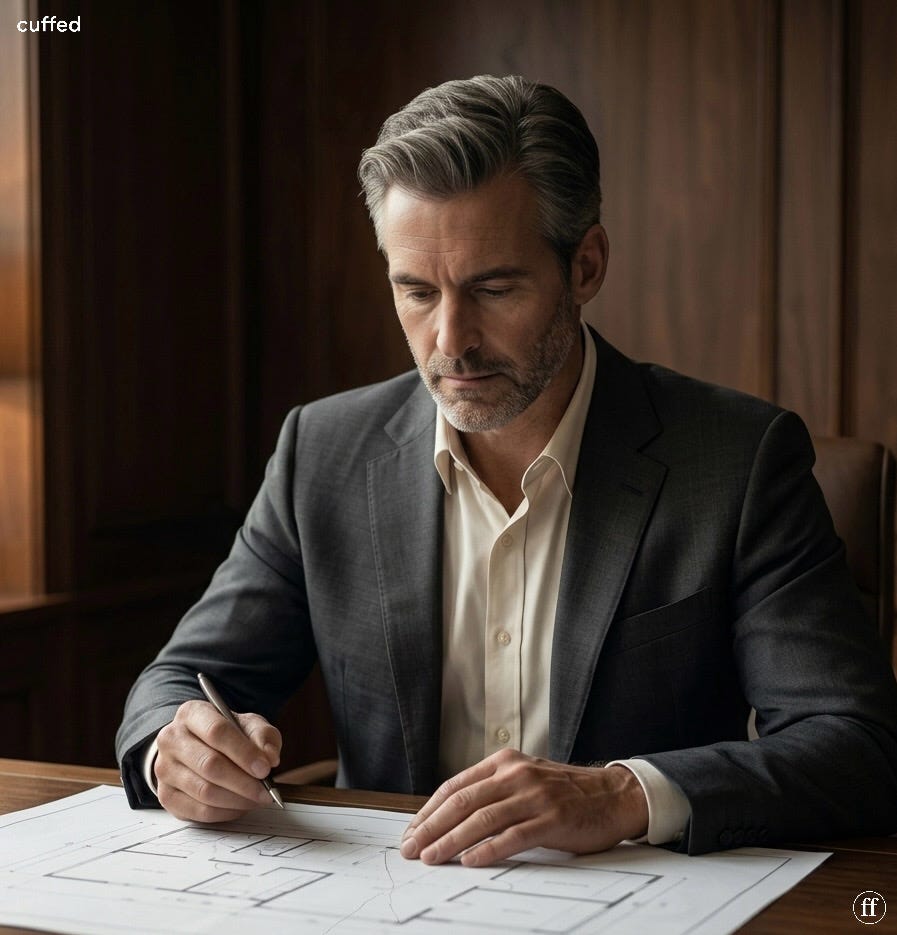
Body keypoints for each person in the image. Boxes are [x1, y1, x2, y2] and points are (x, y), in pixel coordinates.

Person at [116, 75, 897, 867]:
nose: (450, 340)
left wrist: (622, 793)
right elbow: (180, 679)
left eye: (492, 288)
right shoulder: (324, 449)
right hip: (384, 904)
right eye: (415, 291)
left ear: (585, 265)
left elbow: (855, 742)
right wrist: (175, 749)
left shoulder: (736, 458)